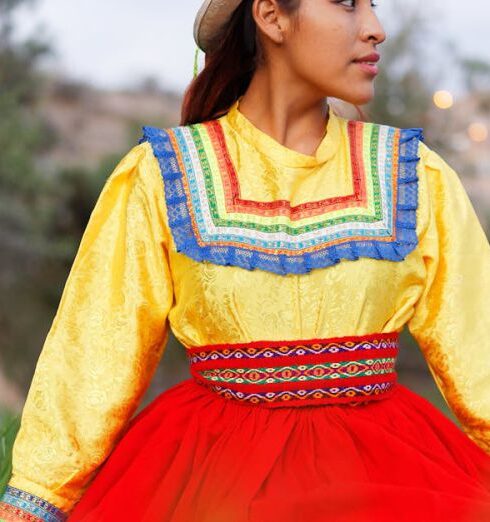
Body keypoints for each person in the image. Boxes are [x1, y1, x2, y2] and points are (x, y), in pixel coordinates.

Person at [1, 0, 490, 520]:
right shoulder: (161, 175)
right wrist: (37, 498)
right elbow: (94, 356)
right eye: (348, 4)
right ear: (271, 15)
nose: (376, 29)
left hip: (386, 476)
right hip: (209, 481)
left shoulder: (414, 175)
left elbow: (479, 349)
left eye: (373, 7)